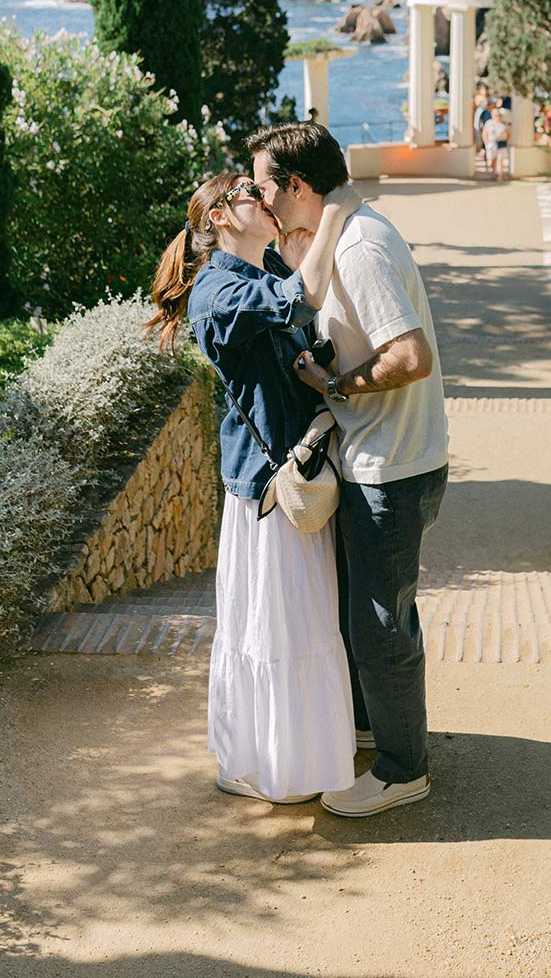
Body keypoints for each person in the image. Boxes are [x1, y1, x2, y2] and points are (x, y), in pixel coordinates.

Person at [248, 122, 448, 818]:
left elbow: (410, 355)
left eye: (264, 186)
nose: (259, 197)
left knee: (379, 626)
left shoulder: (360, 247)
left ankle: (403, 770)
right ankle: (376, 733)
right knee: (366, 615)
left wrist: (337, 387)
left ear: (297, 187)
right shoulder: (347, 233)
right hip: (380, 458)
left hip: (390, 465)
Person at [147, 171, 362, 804]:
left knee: (293, 622)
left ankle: (281, 757)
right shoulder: (216, 289)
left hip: (282, 477)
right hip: (266, 490)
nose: (264, 199)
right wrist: (335, 214)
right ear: (218, 218)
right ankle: (275, 766)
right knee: (280, 626)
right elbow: (305, 295)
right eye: (249, 192)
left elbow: (293, 336)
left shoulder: (252, 273)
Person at [482, 101, 510, 181]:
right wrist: (486, 143)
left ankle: (500, 176)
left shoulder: (504, 124)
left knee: (500, 159)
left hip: (501, 144)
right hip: (492, 144)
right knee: (492, 160)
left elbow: (508, 134)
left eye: (499, 115)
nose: (498, 116)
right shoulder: (489, 123)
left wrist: (506, 142)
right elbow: (484, 134)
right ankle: (494, 173)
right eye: (496, 115)